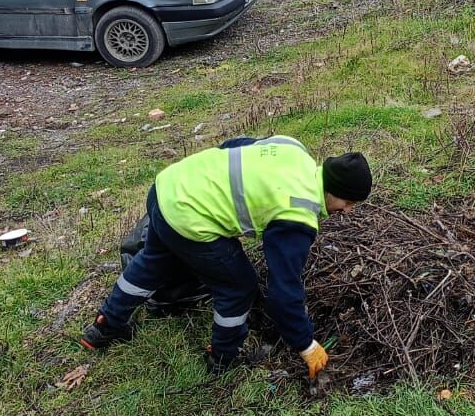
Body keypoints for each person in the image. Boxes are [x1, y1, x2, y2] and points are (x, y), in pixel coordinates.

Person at [79, 137, 373, 376]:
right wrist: (306, 344)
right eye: (347, 202)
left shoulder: (292, 148)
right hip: (189, 217)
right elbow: (284, 291)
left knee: (153, 262)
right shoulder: (298, 212)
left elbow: (231, 148)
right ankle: (222, 359)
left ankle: (105, 327)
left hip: (169, 186)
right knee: (238, 286)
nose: (347, 211)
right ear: (333, 190)